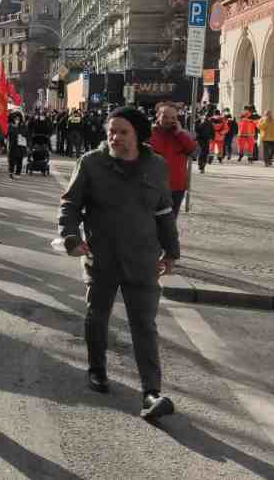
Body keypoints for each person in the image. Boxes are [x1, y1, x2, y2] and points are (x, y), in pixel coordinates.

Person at [59, 106, 181, 421]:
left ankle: (151, 392)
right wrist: (71, 238)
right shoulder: (91, 164)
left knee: (144, 325)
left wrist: (171, 252)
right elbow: (70, 204)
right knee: (97, 315)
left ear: (138, 134)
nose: (115, 137)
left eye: (122, 132)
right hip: (102, 256)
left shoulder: (156, 166)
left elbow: (164, 212)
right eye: (111, 131)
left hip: (142, 259)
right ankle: (97, 369)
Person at [148, 103, 198, 218]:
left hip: (176, 187)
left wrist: (180, 134)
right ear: (158, 116)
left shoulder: (183, 135)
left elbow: (194, 153)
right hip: (152, 186)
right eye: (165, 117)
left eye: (173, 118)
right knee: (149, 223)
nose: (169, 120)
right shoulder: (148, 133)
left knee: (169, 224)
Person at [6, 111, 29, 177]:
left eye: (18, 118)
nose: (17, 120)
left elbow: (26, 134)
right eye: (15, 118)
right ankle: (11, 172)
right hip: (12, 145)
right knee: (11, 159)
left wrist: (18, 130)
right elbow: (7, 134)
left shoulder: (23, 125)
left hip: (20, 145)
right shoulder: (10, 125)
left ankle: (18, 172)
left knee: (19, 159)